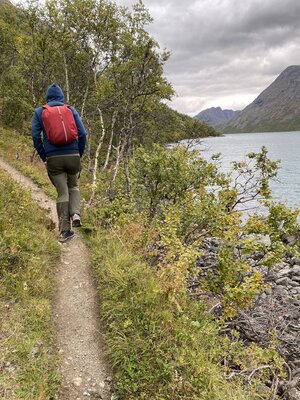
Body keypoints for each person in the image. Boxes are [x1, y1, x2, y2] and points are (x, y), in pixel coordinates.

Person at [31, 83, 86, 243]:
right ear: (61, 97)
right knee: (74, 186)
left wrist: (44, 155)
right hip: (73, 155)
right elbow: (82, 133)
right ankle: (75, 213)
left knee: (62, 192)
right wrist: (78, 153)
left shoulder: (40, 112)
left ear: (47, 98)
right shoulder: (70, 109)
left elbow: (35, 137)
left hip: (53, 158)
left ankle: (65, 231)